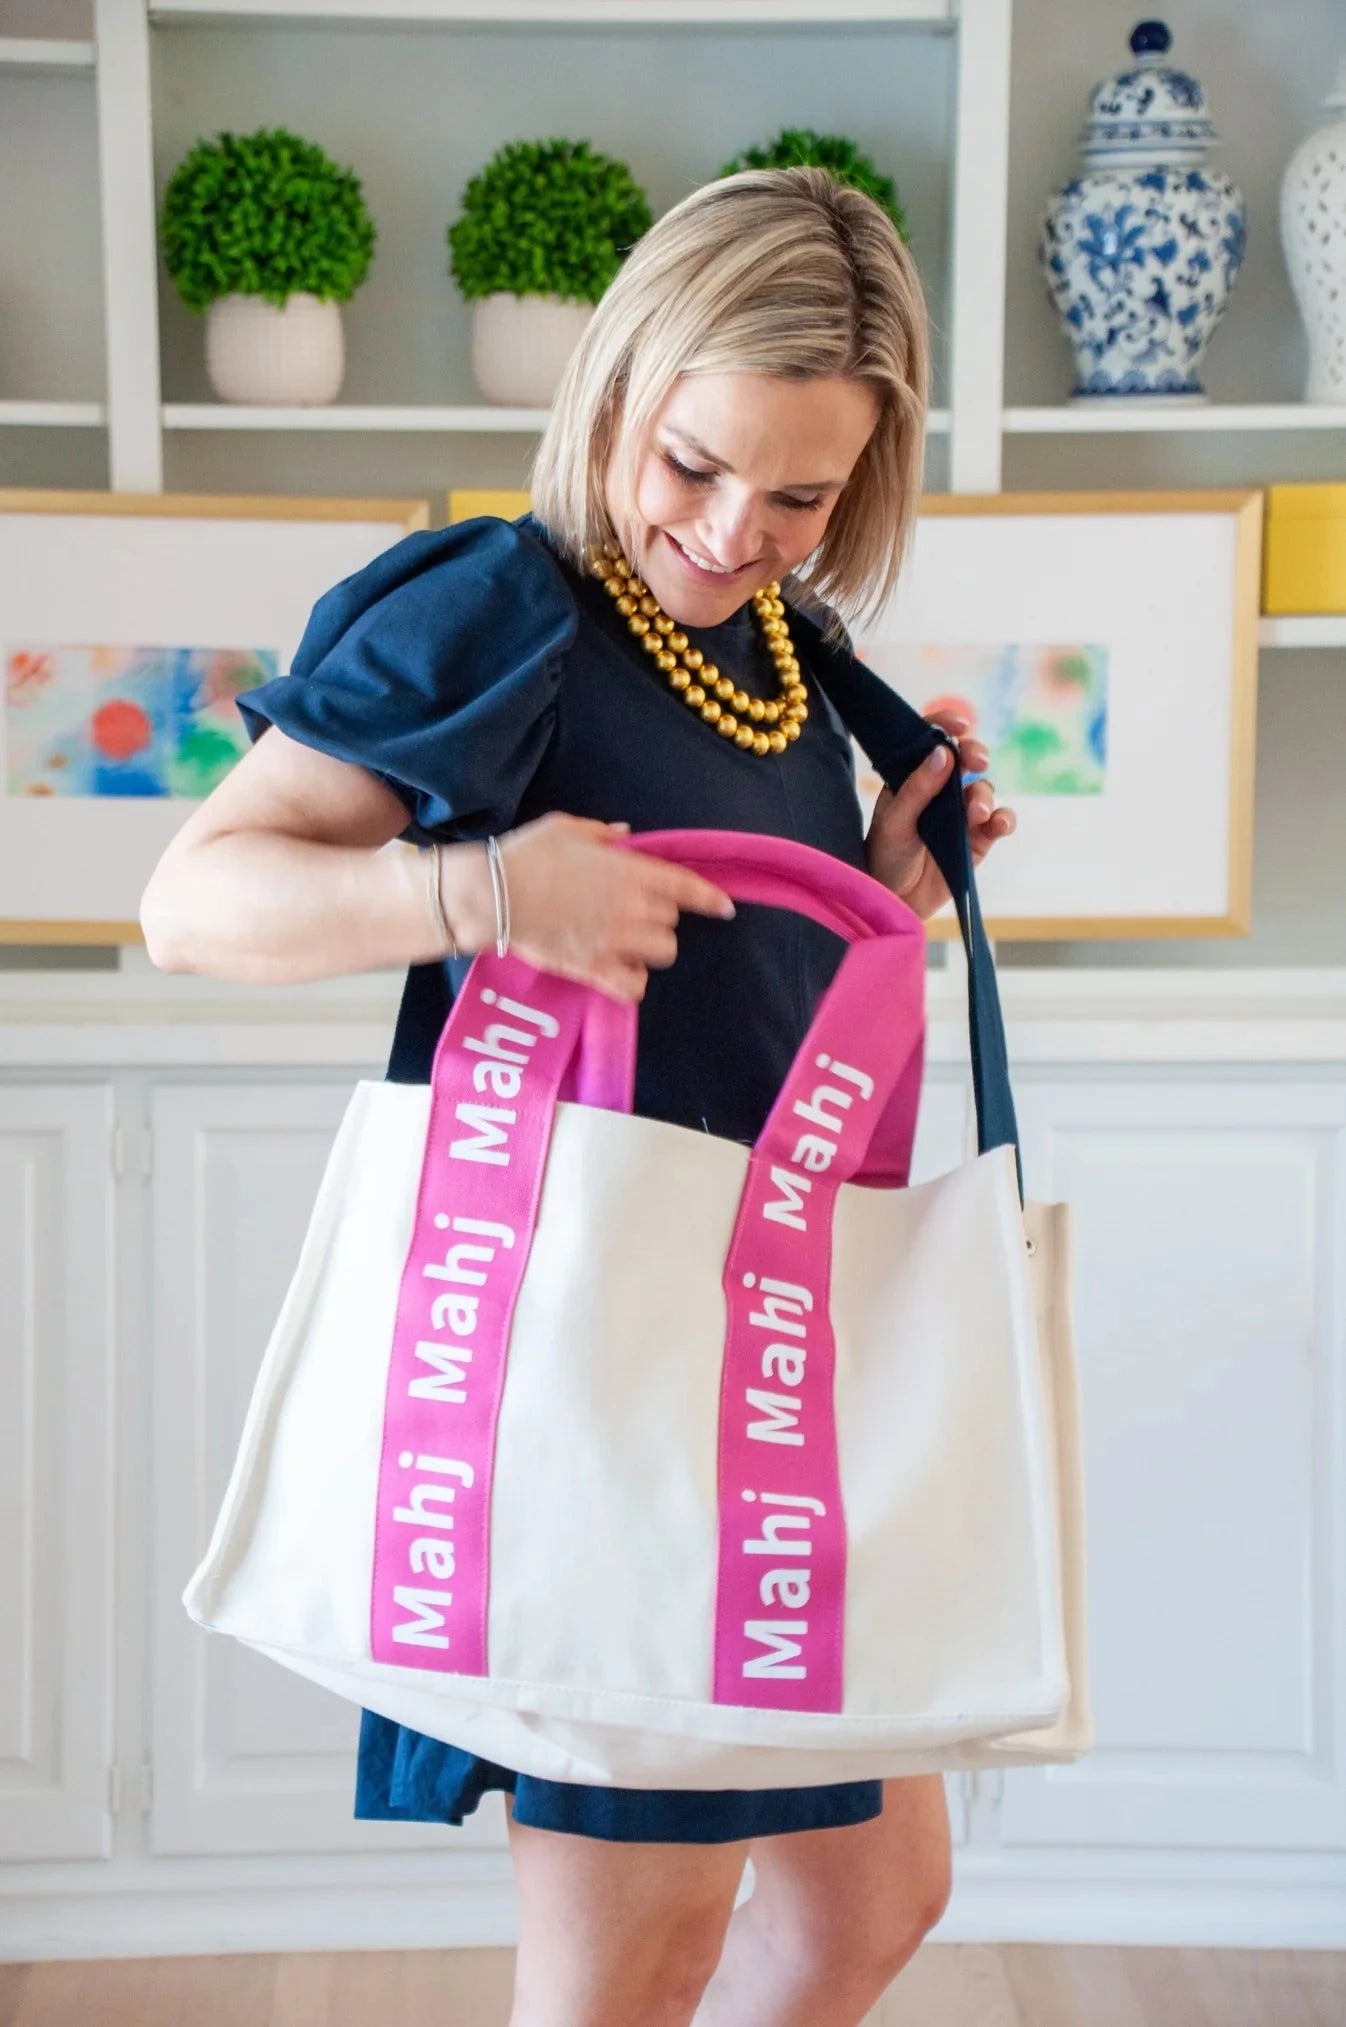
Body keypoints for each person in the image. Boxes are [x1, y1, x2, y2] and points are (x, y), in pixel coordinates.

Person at [141, 166, 1015, 2027]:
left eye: (801, 497)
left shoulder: (784, 651)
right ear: (615, 388)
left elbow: (719, 996)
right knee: (639, 1956)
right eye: (693, 463)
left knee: (873, 1901)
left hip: (766, 1364)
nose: (732, 529)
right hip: (604, 1387)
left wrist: (882, 886)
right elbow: (193, 904)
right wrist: (479, 890)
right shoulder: (498, 608)